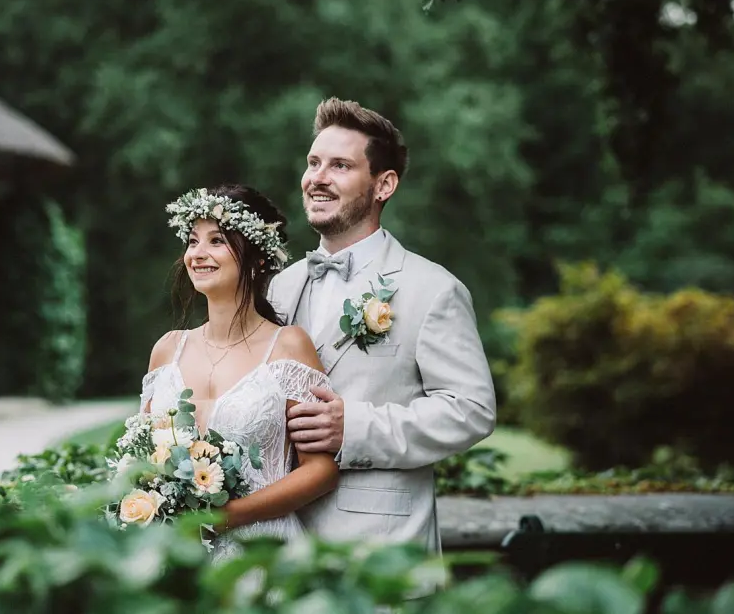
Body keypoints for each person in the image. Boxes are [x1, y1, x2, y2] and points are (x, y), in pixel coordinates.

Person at [269, 98, 497, 568]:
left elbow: (472, 410)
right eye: (314, 163)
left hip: (380, 550)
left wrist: (354, 427)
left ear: (383, 184)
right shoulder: (280, 285)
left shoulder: (432, 289)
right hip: (280, 546)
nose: (317, 178)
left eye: (340, 166)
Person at [139, 183, 339, 561]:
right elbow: (142, 459)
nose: (197, 254)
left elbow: (321, 471)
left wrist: (226, 516)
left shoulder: (289, 346)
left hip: (263, 552)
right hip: (175, 556)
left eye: (216, 241)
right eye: (193, 240)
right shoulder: (167, 349)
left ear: (258, 256)